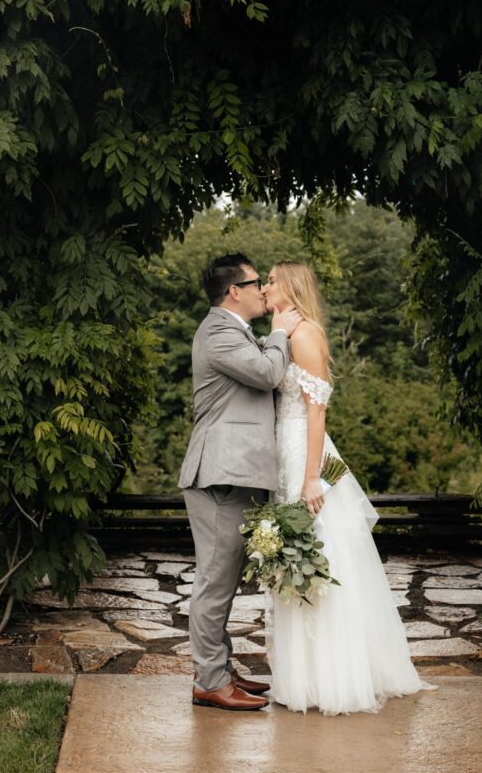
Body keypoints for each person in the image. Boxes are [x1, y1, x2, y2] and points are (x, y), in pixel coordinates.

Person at [262, 261, 428, 715]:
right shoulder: (284, 331)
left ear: (291, 287)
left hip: (306, 456)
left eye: (271, 280)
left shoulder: (305, 334)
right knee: (293, 559)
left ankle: (333, 677)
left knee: (319, 554)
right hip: (286, 453)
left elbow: (317, 412)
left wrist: (312, 476)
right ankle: (302, 677)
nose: (263, 286)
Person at [178, 253, 301, 712]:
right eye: (255, 283)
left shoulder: (232, 331)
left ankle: (220, 670)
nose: (262, 292)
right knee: (214, 581)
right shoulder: (217, 332)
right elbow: (268, 373)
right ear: (235, 291)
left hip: (235, 474)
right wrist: (282, 332)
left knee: (223, 580)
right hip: (219, 475)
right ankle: (209, 681)